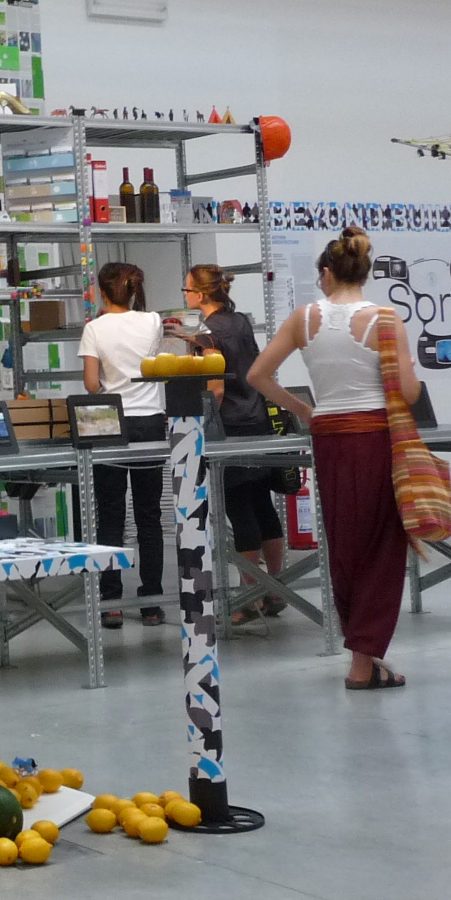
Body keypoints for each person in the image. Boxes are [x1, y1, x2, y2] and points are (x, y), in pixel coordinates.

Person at [246, 226, 418, 689]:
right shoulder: (384, 319)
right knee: (382, 547)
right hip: (376, 437)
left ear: (326, 273)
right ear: (364, 271)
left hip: (330, 438)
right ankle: (363, 663)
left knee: (343, 545)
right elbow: (407, 390)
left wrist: (305, 409)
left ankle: (362, 656)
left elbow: (258, 374)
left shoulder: (303, 319)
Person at [184, 264, 283, 630]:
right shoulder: (240, 321)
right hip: (257, 420)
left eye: (187, 289)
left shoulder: (208, 332)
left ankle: (248, 597)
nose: (186, 294)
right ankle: (275, 588)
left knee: (239, 511)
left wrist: (203, 421)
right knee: (262, 505)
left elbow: (216, 387)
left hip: (230, 429)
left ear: (200, 294)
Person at [78, 261, 167, 628]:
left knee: (110, 515)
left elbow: (91, 385)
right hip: (150, 422)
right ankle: (152, 601)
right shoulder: (154, 322)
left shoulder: (94, 329)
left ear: (101, 292)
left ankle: (111, 600)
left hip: (110, 423)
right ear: (132, 290)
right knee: (149, 515)